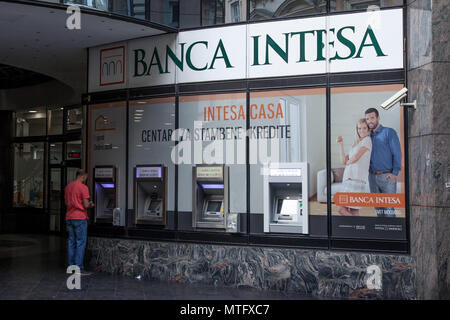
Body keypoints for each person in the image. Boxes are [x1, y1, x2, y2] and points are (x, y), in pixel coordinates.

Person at [365, 107, 401, 217]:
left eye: (372, 118)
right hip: (372, 176)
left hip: (387, 176)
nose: (370, 121)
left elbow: (397, 153)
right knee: (378, 209)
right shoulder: (367, 136)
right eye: (367, 119)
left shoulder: (389, 132)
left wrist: (394, 173)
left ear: (378, 118)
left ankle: (391, 233)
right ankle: (381, 232)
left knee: (389, 209)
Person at [336, 119, 372, 216]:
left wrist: (348, 162)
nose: (361, 130)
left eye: (364, 128)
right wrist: (341, 144)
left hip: (357, 179)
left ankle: (357, 228)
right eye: (359, 128)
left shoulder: (367, 140)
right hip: (349, 179)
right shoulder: (355, 144)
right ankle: (356, 228)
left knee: (340, 208)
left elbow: (356, 158)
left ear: (368, 129)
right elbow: (343, 161)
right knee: (353, 211)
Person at [64, 168, 94, 275]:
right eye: (85, 177)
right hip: (80, 217)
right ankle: (79, 268)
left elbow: (66, 203)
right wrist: (91, 204)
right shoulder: (83, 187)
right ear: (83, 176)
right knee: (80, 242)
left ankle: (71, 267)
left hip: (69, 217)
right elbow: (86, 205)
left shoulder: (68, 187)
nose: (85, 179)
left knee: (71, 242)